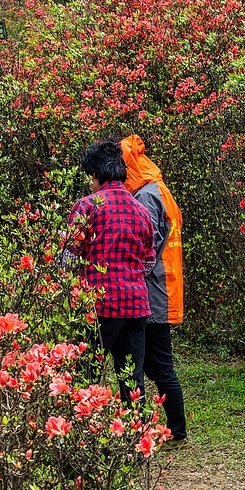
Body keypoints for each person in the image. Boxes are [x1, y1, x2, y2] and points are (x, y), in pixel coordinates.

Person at [70, 139, 155, 403]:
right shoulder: (141, 211)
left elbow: (69, 255)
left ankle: (85, 433)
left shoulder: (87, 206)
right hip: (135, 306)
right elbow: (148, 261)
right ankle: (136, 437)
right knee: (133, 380)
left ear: (95, 174)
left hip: (99, 307)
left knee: (85, 376)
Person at [121, 134, 188, 442]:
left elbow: (146, 247)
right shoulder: (158, 188)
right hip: (162, 288)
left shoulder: (146, 195)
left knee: (160, 367)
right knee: (156, 366)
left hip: (152, 294)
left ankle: (177, 430)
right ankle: (175, 429)